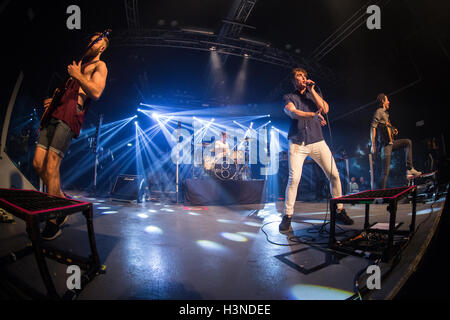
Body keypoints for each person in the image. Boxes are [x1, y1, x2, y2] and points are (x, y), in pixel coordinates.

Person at [32, 32, 109, 240]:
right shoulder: (80, 65)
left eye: (97, 40)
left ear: (102, 47)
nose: (92, 41)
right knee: (38, 163)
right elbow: (68, 91)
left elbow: (96, 92)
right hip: (54, 113)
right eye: (91, 38)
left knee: (51, 165)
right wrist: (54, 100)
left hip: (69, 116)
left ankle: (55, 217)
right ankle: (60, 198)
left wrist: (77, 75)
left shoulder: (99, 66)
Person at [279, 67, 353, 232]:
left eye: (304, 76)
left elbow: (325, 109)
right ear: (293, 80)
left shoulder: (313, 95)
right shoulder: (289, 97)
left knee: (334, 175)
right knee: (294, 180)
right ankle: (287, 215)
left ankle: (339, 210)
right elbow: (292, 112)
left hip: (317, 141)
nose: (303, 78)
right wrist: (312, 115)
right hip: (298, 143)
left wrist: (312, 90)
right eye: (299, 76)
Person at [370, 93, 421, 189]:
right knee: (385, 172)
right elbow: (373, 127)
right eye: (387, 100)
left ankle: (409, 168)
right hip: (385, 146)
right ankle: (381, 194)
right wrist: (373, 145)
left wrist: (393, 130)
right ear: (383, 101)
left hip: (391, 143)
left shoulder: (385, 114)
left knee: (407, 142)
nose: (389, 102)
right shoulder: (379, 111)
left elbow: (386, 128)